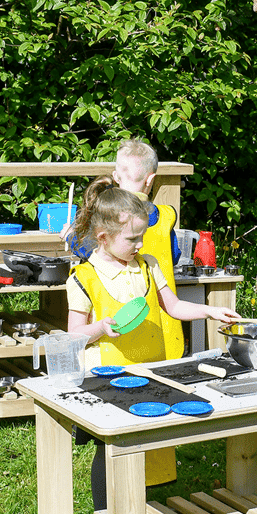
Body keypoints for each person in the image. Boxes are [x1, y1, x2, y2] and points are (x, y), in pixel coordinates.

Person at [66, 176, 240, 511]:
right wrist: (100, 327)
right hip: (107, 375)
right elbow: (73, 334)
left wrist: (210, 310)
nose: (139, 244)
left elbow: (173, 307)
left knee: (142, 439)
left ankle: (134, 509)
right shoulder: (83, 277)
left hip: (149, 369)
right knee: (112, 446)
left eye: (142, 236)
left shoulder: (148, 265)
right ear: (103, 237)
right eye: (132, 238)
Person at [64, 138, 187, 358]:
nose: (139, 246)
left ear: (116, 177)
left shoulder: (110, 213)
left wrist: (71, 237)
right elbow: (175, 256)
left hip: (137, 335)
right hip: (158, 325)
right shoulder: (165, 215)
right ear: (151, 179)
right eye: (132, 239)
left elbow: (89, 251)